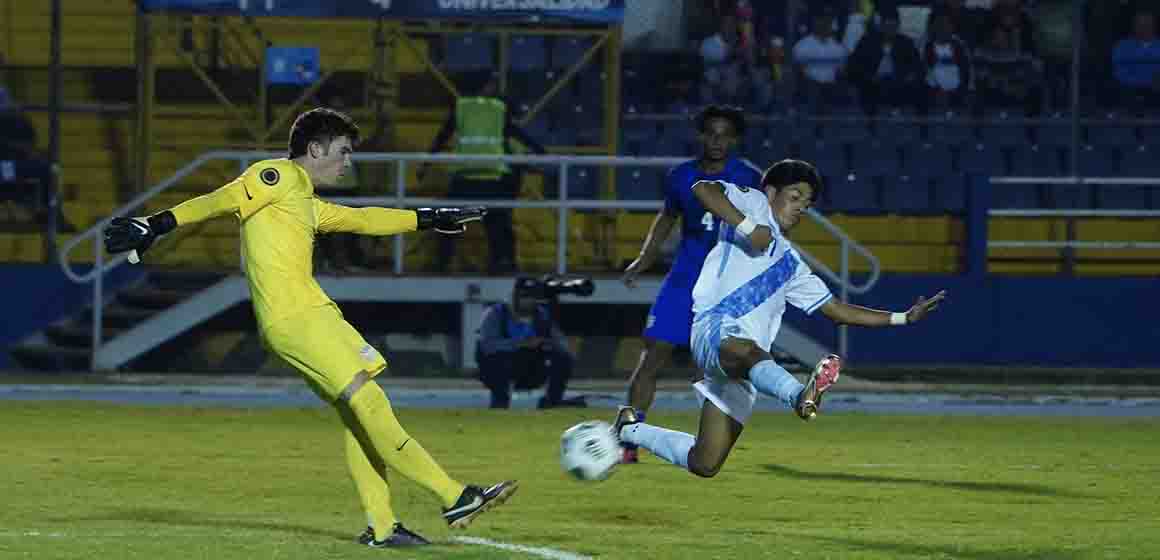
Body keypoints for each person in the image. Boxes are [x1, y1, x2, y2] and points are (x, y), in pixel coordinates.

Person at [102, 108, 517, 548]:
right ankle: (454, 496)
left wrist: (429, 218)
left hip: (316, 313)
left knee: (358, 418)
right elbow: (221, 199)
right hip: (295, 318)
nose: (348, 162)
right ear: (315, 149)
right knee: (369, 402)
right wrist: (156, 224)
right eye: (342, 152)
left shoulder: (303, 199)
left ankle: (383, 526)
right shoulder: (275, 176)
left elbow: (364, 219)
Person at [613, 159, 946, 479]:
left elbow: (837, 311)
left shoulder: (791, 263)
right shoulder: (754, 204)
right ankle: (799, 396)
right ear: (771, 193)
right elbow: (703, 188)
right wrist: (747, 226)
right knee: (748, 351)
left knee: (704, 462)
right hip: (715, 331)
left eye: (807, 202)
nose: (801, 206)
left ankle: (629, 428)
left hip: (744, 367)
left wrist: (903, 318)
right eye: (795, 196)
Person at [619, 105, 762, 464]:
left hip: (724, 289)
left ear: (735, 140)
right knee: (653, 356)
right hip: (684, 280)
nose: (717, 140)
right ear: (701, 136)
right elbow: (666, 218)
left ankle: (710, 445)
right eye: (711, 133)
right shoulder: (680, 176)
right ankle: (628, 440)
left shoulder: (746, 177)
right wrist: (644, 258)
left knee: (712, 370)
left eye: (724, 134)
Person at [424, 71, 547, 274]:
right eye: (492, 83)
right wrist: (541, 151)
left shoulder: (461, 107)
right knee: (497, 225)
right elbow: (514, 132)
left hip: (465, 176)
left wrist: (426, 163)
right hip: (491, 176)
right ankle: (501, 264)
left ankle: (442, 264)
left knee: (448, 222)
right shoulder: (498, 108)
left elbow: (443, 135)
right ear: (485, 86)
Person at [475, 276, 586, 410]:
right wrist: (518, 344)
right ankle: (500, 403)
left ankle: (551, 403)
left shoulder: (541, 315)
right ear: (515, 296)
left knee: (563, 359)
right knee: (500, 361)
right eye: (524, 296)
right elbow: (487, 345)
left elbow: (561, 344)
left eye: (532, 297)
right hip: (500, 366)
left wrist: (546, 343)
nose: (528, 301)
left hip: (531, 366)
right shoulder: (496, 314)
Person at [847, 10, 926, 116]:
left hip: (898, 81)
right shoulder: (867, 41)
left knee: (918, 89)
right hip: (872, 81)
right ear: (881, 25)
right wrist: (869, 76)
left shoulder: (906, 42)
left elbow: (918, 66)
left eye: (893, 26)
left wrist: (911, 75)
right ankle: (871, 125)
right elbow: (854, 64)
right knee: (868, 88)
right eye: (887, 26)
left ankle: (919, 126)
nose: (890, 30)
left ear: (898, 26)